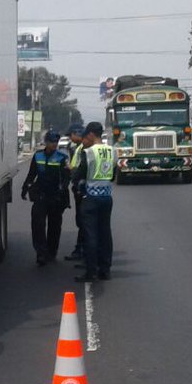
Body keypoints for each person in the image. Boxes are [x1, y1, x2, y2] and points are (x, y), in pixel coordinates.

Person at [71, 121, 114, 282]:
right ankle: (105, 269)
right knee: (105, 233)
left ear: (90, 134)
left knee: (91, 235)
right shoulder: (112, 151)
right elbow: (113, 175)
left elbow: (79, 174)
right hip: (107, 197)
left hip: (91, 197)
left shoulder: (88, 152)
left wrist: (75, 182)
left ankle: (91, 272)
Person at [20, 130, 70, 266]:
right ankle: (41, 253)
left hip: (55, 197)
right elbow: (31, 175)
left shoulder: (61, 157)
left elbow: (66, 179)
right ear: (46, 142)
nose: (54, 144)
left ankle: (51, 252)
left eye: (56, 142)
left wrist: (63, 192)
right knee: (38, 225)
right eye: (51, 142)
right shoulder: (38, 156)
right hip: (40, 195)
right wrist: (25, 188)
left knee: (54, 226)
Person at [63, 124, 86, 261]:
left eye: (71, 135)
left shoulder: (81, 149)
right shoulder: (77, 148)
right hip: (89, 190)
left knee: (83, 221)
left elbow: (76, 169)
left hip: (82, 189)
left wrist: (68, 167)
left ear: (77, 134)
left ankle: (82, 250)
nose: (70, 138)